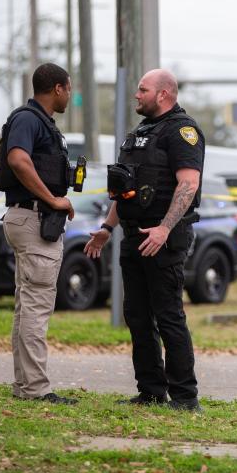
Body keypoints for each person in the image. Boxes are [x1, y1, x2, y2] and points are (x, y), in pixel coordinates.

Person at [84, 69, 205, 412]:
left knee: (168, 315)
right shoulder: (141, 133)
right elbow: (126, 191)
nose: (137, 95)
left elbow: (188, 185)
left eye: (143, 89)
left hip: (164, 236)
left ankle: (185, 397)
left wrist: (165, 228)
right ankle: (151, 390)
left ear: (164, 94)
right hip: (134, 234)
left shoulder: (182, 132)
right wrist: (107, 229)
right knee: (137, 315)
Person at [0, 63, 77, 405]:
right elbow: (18, 160)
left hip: (27, 218)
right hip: (33, 218)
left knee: (26, 305)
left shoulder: (39, 122)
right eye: (69, 88)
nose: (70, 95)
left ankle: (23, 385)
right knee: (36, 308)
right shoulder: (28, 118)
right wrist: (52, 198)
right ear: (57, 88)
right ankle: (36, 389)